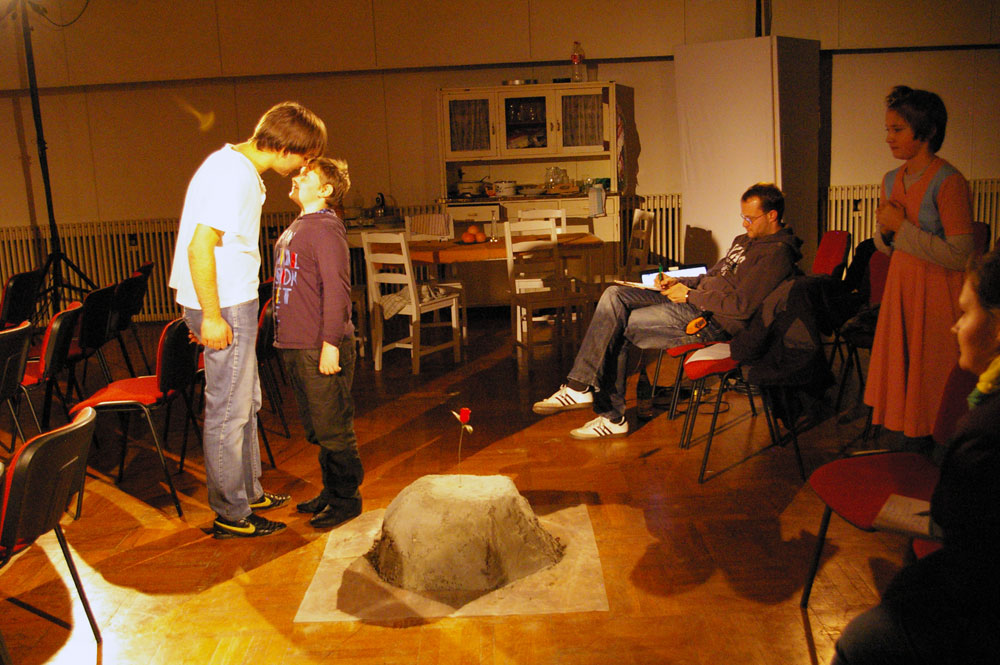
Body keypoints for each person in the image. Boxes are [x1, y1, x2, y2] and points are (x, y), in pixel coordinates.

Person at [832, 248, 1000, 664]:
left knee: (861, 641)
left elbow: (958, 529)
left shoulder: (985, 431)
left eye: (966, 313)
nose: (955, 326)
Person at [169, 101, 327, 538]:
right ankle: (231, 513)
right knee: (229, 409)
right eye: (305, 156)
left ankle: (248, 492)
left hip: (231, 301)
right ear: (283, 147)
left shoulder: (237, 168)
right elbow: (200, 247)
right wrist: (211, 316)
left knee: (247, 402)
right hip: (223, 305)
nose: (304, 166)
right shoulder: (232, 175)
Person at [533, 183, 803, 439]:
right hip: (694, 301)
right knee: (614, 295)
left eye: (750, 218)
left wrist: (688, 295)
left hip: (711, 320)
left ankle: (608, 414)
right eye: (742, 217)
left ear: (772, 215)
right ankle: (581, 388)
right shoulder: (744, 240)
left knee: (617, 325)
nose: (744, 224)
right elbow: (710, 277)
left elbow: (741, 306)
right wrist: (678, 282)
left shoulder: (777, 254)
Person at [865, 85, 974, 449]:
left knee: (932, 374)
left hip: (938, 291)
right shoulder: (890, 180)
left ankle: (936, 448)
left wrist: (901, 228)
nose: (889, 138)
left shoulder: (949, 181)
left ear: (926, 131)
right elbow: (886, 245)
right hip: (903, 287)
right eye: (888, 129)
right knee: (905, 368)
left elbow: (960, 254)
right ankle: (909, 441)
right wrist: (886, 233)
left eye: (897, 129)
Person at [272, 157, 364, 529]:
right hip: (299, 345)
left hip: (319, 346)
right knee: (317, 427)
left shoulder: (325, 228)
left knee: (333, 426)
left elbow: (337, 290)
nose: (297, 177)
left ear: (325, 190)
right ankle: (332, 490)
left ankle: (346, 500)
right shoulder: (300, 225)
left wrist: (330, 343)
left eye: (306, 175)